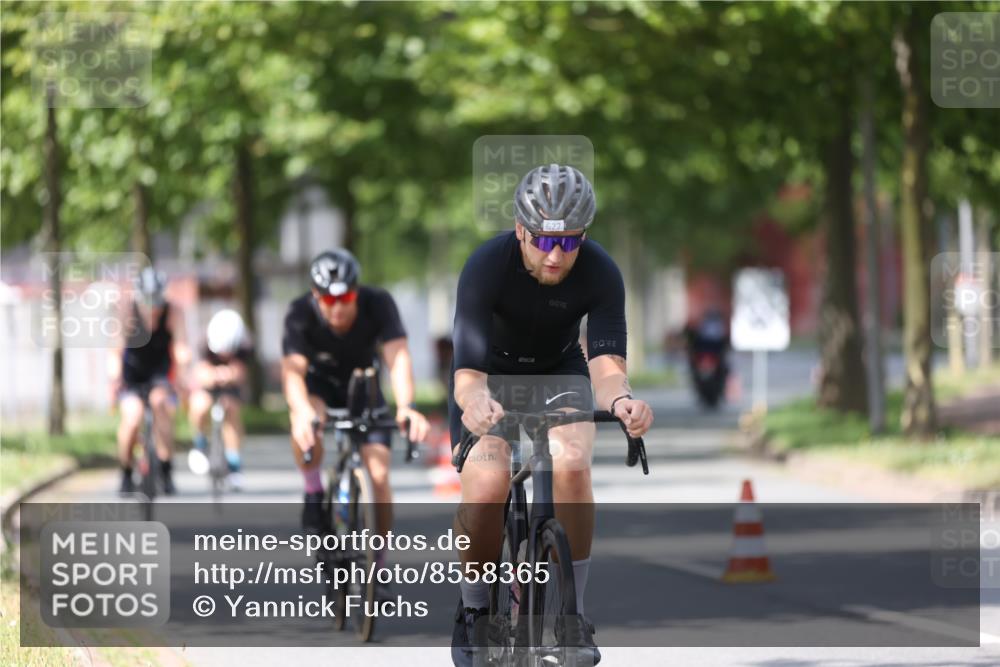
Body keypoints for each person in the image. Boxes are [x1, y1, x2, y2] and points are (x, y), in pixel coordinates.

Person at [449, 164, 654, 666]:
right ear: (521, 229)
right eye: (543, 241)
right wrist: (475, 404)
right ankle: (475, 609)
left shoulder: (601, 271)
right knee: (488, 481)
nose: (557, 255)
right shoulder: (487, 265)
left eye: (571, 242)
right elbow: (466, 374)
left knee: (573, 459)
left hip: (560, 371)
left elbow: (606, 366)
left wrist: (622, 399)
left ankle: (573, 616)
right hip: (490, 379)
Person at [281, 248, 431, 553]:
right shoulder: (299, 313)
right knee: (306, 419)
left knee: (378, 474)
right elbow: (292, 371)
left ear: (356, 292)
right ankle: (313, 491)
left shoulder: (378, 303)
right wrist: (301, 411)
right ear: (315, 296)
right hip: (319, 386)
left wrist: (406, 407)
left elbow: (397, 357)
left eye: (346, 299)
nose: (338, 309)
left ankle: (378, 566)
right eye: (329, 300)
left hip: (364, 385)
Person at [109, 267, 191, 495]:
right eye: (148, 302)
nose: (153, 309)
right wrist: (115, 378)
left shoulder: (173, 312)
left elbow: (181, 347)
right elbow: (115, 350)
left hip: (160, 373)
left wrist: (183, 375)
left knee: (160, 405)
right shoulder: (127, 311)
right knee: (132, 418)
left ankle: (166, 469)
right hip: (132, 375)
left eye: (156, 302)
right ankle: (126, 472)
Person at [187, 308, 252, 490]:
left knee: (231, 410)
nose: (224, 355)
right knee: (199, 404)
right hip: (209, 380)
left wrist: (230, 375)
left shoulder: (245, 344)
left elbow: (241, 372)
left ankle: (234, 464)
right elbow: (200, 372)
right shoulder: (203, 340)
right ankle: (200, 444)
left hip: (231, 386)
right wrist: (214, 375)